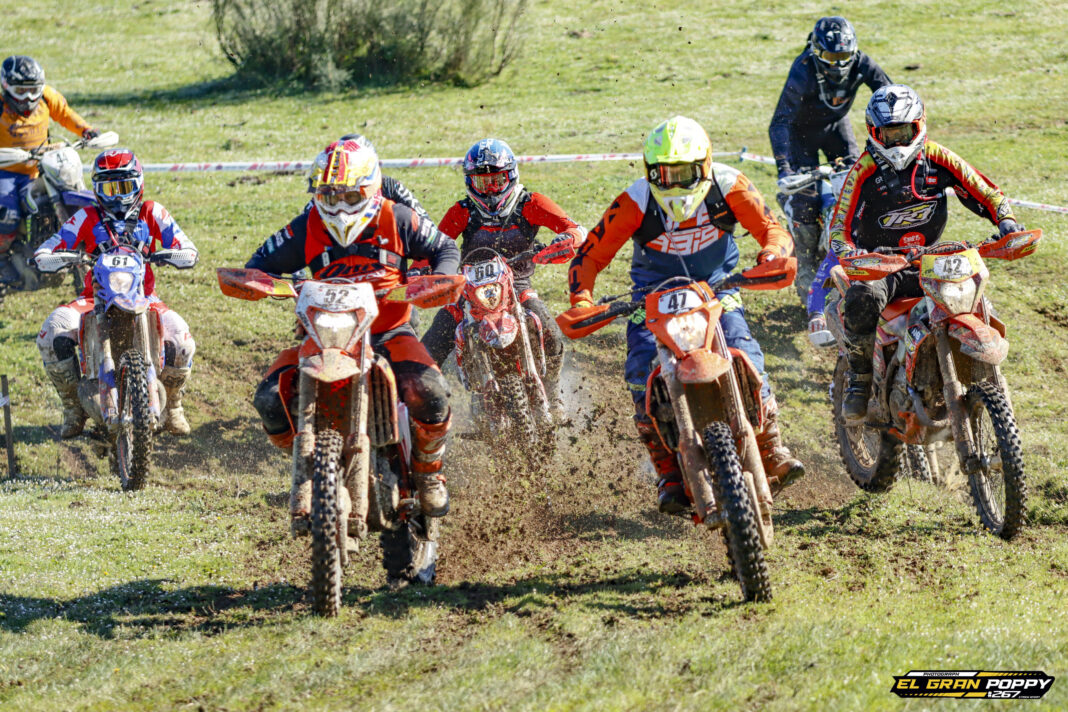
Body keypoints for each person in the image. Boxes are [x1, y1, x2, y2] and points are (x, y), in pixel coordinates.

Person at [561, 116, 805, 513]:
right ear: (650, 170)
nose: (674, 184)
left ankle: (771, 444)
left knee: (743, 348)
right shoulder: (635, 199)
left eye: (684, 173)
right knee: (641, 370)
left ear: (704, 165)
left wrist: (771, 254)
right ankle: (667, 470)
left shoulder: (730, 185)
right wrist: (583, 299)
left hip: (718, 286)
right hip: (651, 295)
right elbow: (589, 256)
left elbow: (771, 229)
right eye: (665, 174)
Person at [245, 137, 460, 522]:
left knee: (429, 390)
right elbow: (259, 262)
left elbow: (445, 248)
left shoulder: (398, 218)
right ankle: (308, 461)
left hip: (390, 330)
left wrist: (437, 281)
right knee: (270, 398)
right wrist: (259, 282)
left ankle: (428, 473)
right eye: (329, 195)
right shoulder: (307, 224)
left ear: (371, 188)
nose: (339, 206)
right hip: (323, 338)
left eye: (349, 196)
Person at [829, 84, 1022, 422]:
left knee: (975, 295)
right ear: (874, 133)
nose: (897, 141)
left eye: (904, 131)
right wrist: (848, 251)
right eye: (888, 133)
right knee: (861, 298)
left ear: (918, 125)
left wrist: (1006, 220)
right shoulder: (862, 171)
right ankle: (859, 382)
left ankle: (981, 375)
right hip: (883, 265)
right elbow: (838, 227)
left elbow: (986, 191)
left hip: (933, 259)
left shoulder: (938, 157)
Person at [34, 149, 198, 437]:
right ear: (96, 189)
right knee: (52, 331)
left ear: (138, 183)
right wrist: (51, 256)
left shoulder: (152, 211)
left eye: (124, 187)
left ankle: (173, 406)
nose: (117, 196)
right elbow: (54, 243)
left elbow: (187, 245)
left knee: (182, 341)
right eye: (109, 188)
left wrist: (174, 254)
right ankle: (73, 406)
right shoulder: (87, 215)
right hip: (92, 298)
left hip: (145, 298)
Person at [419, 138, 586, 412]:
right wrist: (424, 267)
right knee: (426, 353)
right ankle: (422, 415)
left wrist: (565, 239)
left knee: (552, 334)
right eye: (483, 183)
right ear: (470, 183)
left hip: (516, 286)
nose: (491, 190)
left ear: (511, 176)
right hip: (468, 290)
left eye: (497, 181)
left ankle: (553, 393)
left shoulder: (530, 203)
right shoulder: (462, 212)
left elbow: (575, 228)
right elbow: (436, 246)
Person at [768, 17, 891, 333]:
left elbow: (890, 95)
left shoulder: (862, 62)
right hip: (800, 136)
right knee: (806, 204)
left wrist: (892, 140)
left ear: (853, 52)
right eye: (830, 58)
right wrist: (786, 169)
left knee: (864, 191)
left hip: (838, 127)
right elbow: (780, 121)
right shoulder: (803, 68)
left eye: (842, 58)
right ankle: (806, 266)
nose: (837, 65)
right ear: (816, 52)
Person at [1, 55, 100, 285]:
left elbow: (65, 114)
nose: (27, 98)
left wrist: (87, 130)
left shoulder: (46, 96)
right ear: (6, 87)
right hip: (5, 171)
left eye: (32, 90)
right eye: (20, 90)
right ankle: (2, 259)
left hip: (40, 167)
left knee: (71, 195)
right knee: (8, 213)